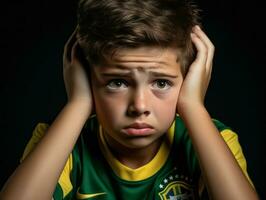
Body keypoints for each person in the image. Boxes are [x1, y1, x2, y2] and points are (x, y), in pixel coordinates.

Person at [0, 0, 259, 199]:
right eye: (118, 82)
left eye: (161, 83)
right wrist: (78, 103)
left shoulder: (212, 140)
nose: (140, 107)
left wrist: (193, 106)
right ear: (87, 80)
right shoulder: (60, 143)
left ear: (189, 80)